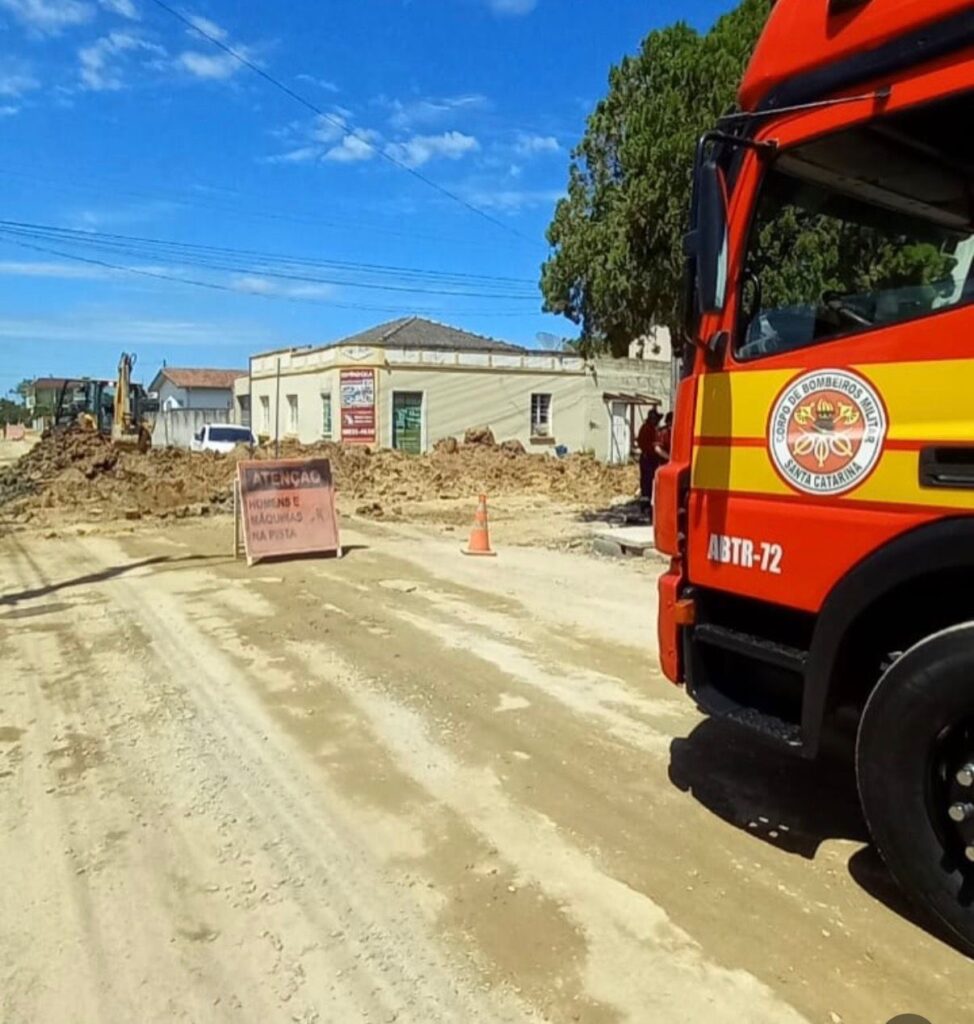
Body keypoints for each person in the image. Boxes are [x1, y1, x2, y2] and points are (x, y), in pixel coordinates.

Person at [636, 408, 663, 516]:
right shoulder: (648, 429)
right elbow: (649, 445)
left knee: (648, 482)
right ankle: (646, 507)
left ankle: (647, 506)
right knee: (647, 482)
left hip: (650, 458)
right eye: (656, 419)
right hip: (648, 459)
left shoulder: (649, 428)